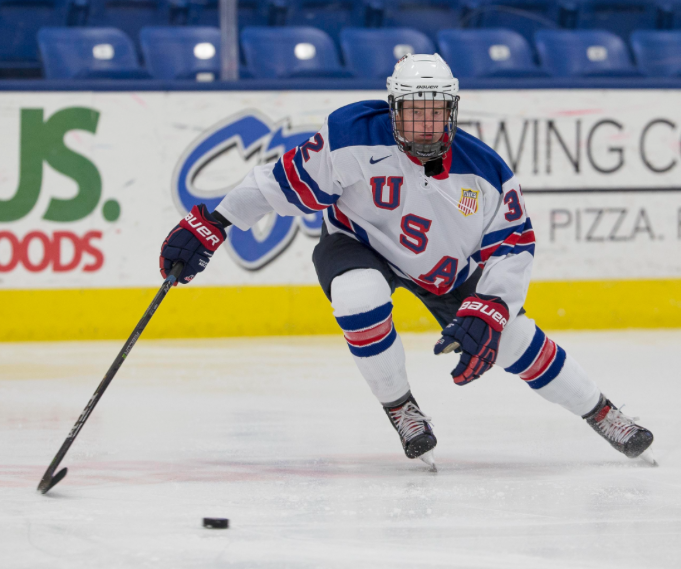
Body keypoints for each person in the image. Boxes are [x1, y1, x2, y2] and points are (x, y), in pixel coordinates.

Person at [159, 54, 655, 470]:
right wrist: (216, 222)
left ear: (452, 112)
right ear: (393, 109)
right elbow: (276, 183)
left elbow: (513, 245)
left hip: (444, 270)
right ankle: (402, 409)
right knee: (358, 297)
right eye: (413, 112)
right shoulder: (352, 133)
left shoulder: (485, 172)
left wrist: (491, 307)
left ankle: (602, 412)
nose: (424, 123)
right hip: (358, 243)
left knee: (514, 342)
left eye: (435, 112)